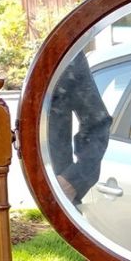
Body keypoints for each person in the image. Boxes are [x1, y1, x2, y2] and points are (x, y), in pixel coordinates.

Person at [47, 51, 112, 205]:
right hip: (16, 184)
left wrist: (73, 180)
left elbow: (98, 122)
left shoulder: (63, 53)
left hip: (56, 198)